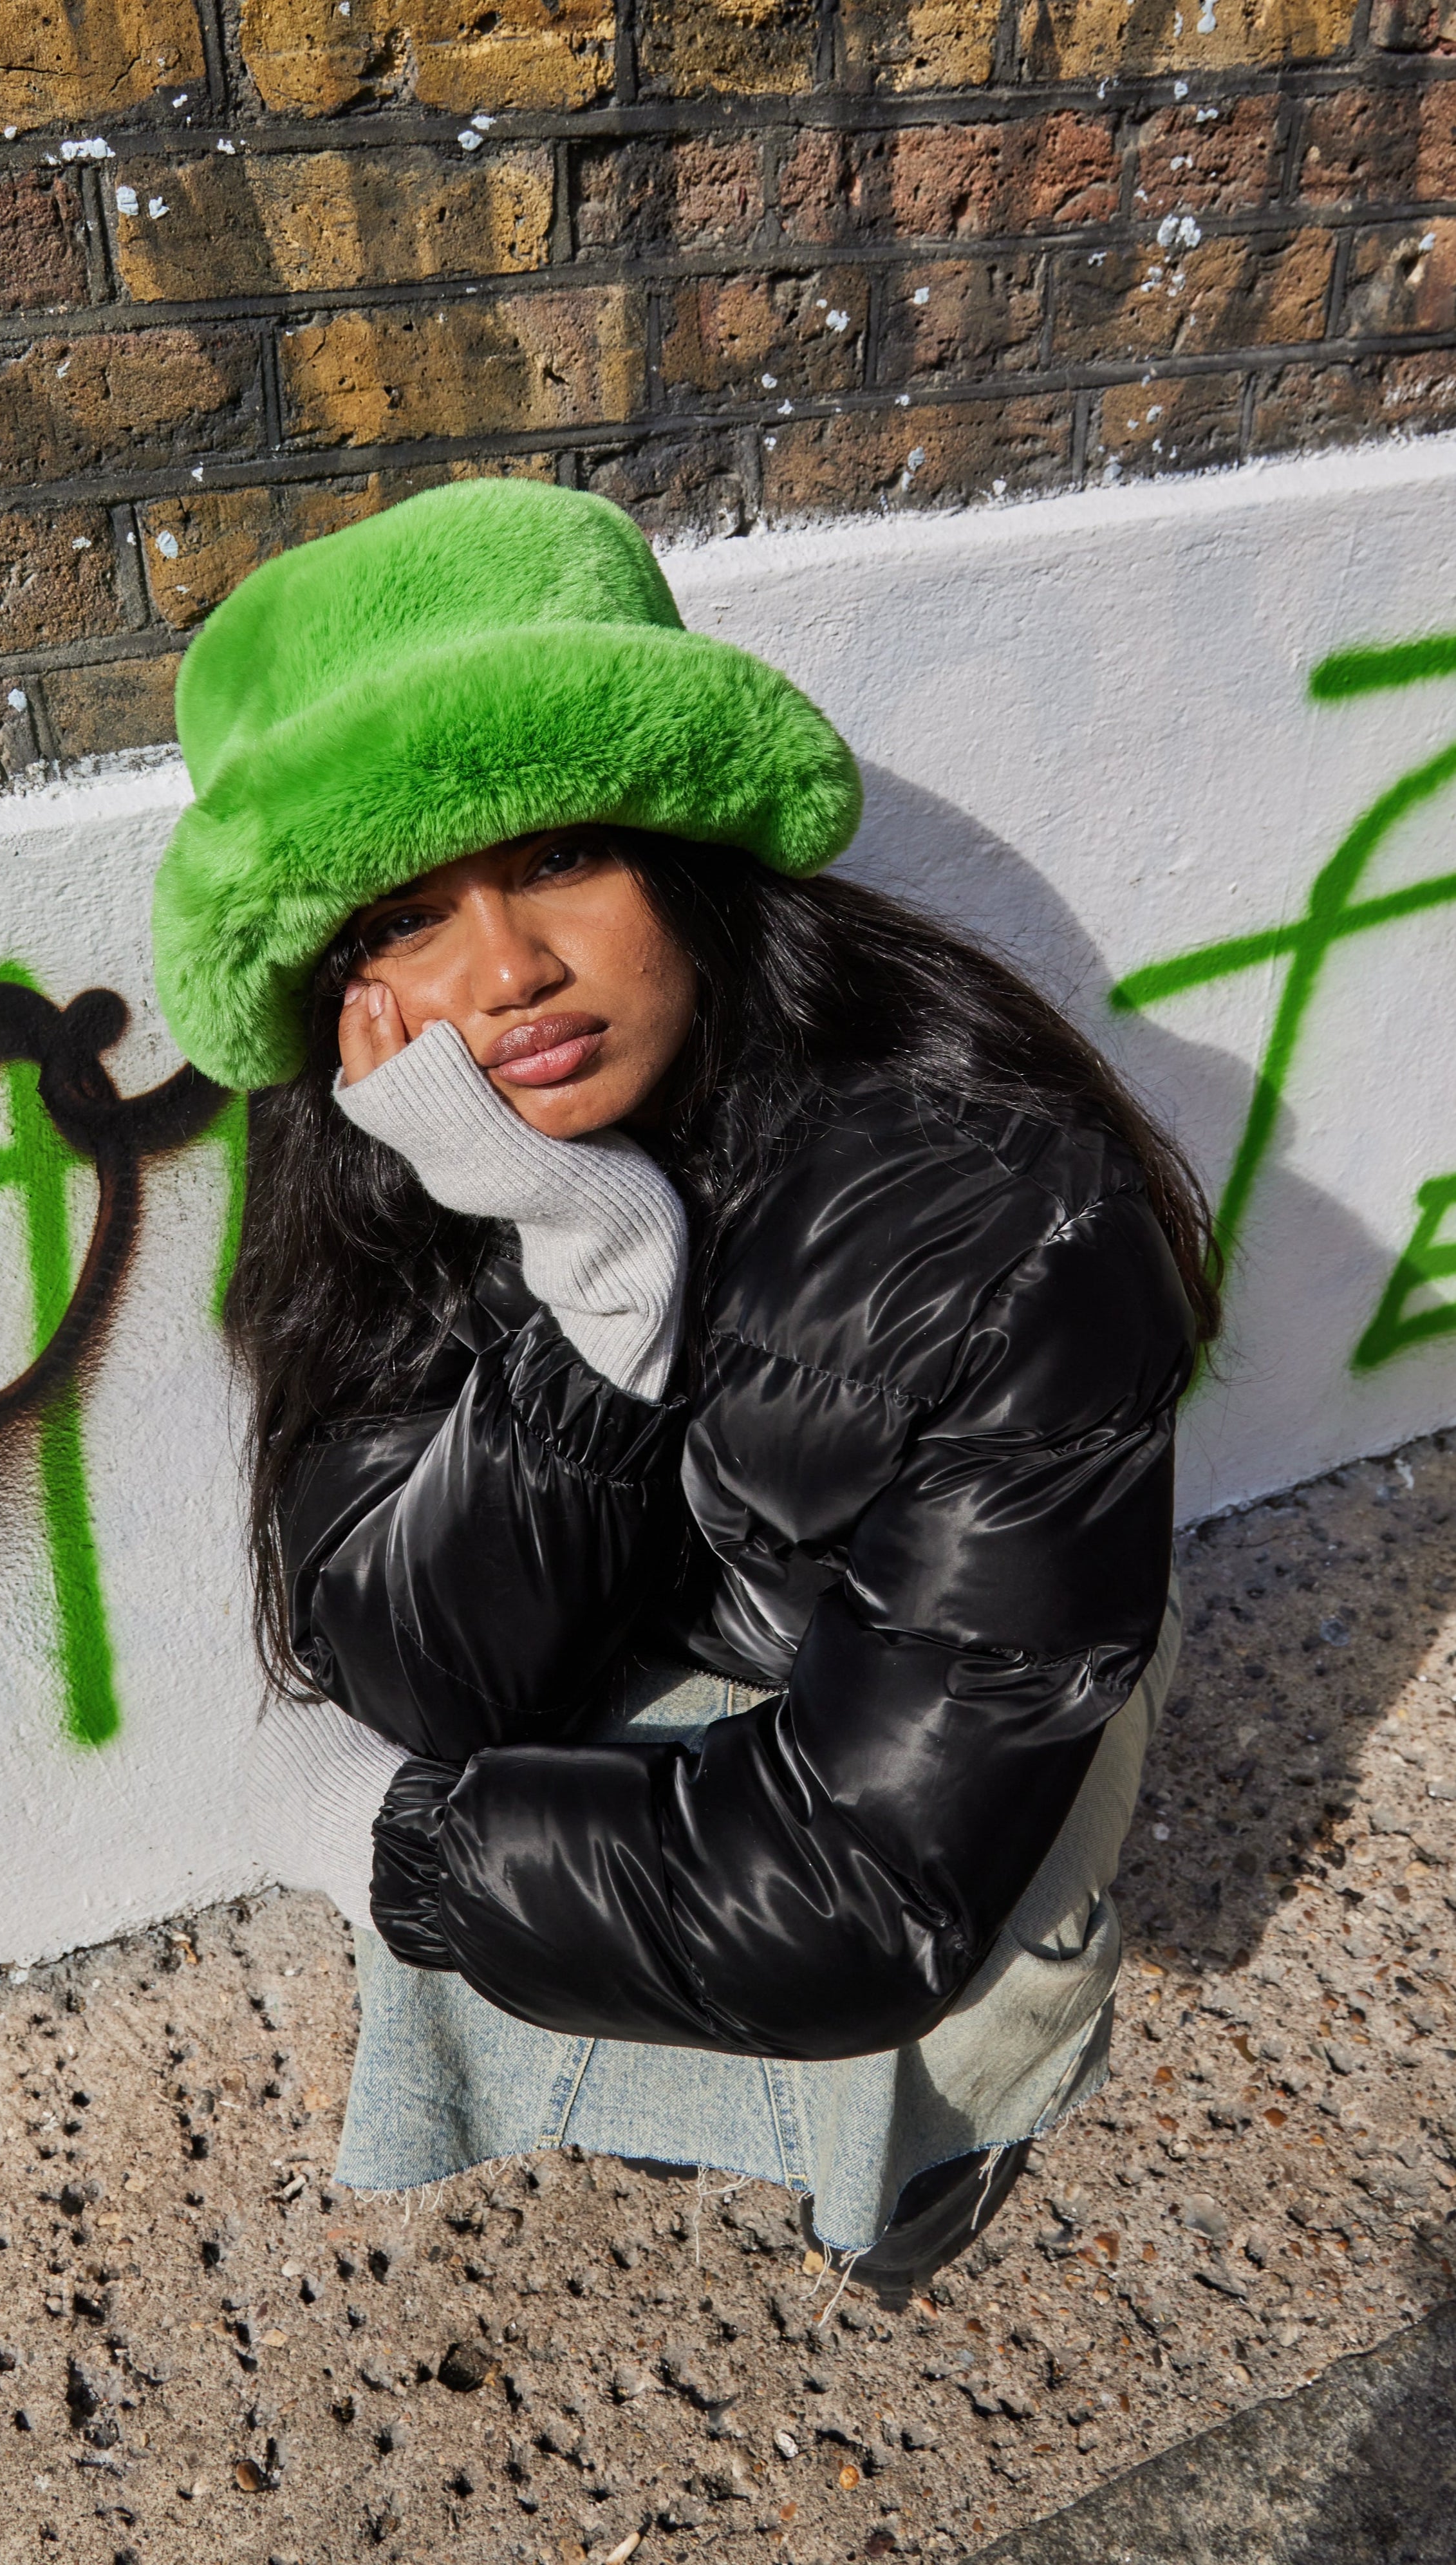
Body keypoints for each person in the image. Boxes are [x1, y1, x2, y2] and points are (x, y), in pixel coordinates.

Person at [151, 477, 1215, 2303]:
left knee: (909, 1995)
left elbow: (865, 1883)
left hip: (929, 1715)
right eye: (405, 918)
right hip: (709, 1645)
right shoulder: (403, 1157)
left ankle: (928, 2162)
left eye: (561, 856)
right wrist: (589, 1281)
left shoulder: (999, 1226)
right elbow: (427, 1667)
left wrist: (394, 1847)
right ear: (342, 990)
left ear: (686, 854)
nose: (503, 973)